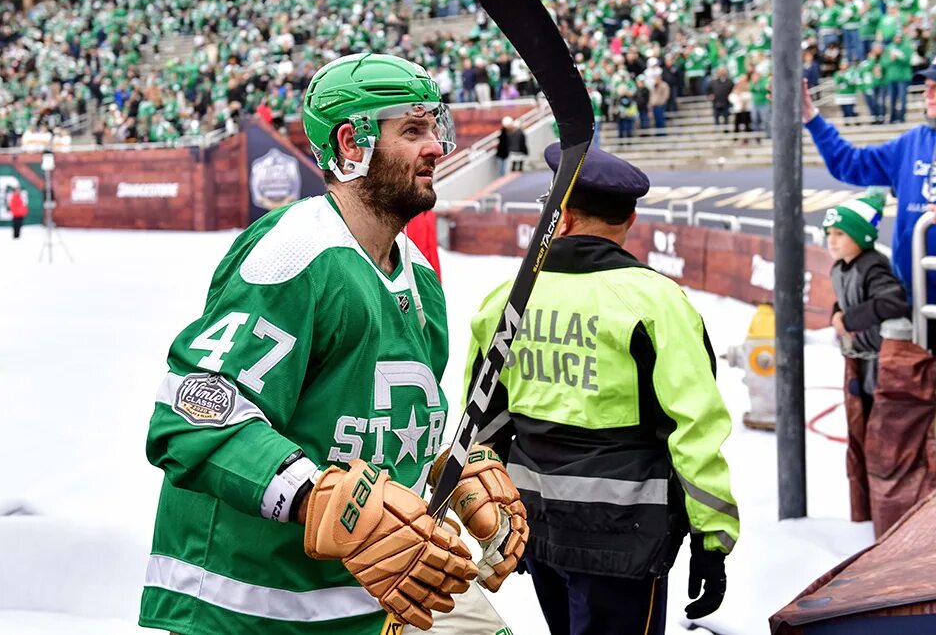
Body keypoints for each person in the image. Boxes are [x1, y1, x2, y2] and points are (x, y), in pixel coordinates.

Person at [138, 53, 527, 635]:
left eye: (434, 127)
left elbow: (381, 424)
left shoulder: (417, 275)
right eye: (413, 130)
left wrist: (449, 470)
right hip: (254, 607)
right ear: (352, 144)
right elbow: (195, 415)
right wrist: (318, 496)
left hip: (374, 595)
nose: (437, 148)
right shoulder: (295, 252)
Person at [466, 144, 740, 635]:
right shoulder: (657, 302)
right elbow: (694, 429)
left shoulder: (505, 300)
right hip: (626, 540)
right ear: (630, 217)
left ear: (561, 215)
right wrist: (712, 539)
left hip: (536, 529)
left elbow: (483, 423)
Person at [803, 70, 936, 347]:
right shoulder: (912, 143)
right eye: (927, 86)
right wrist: (811, 118)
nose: (928, 94)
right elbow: (849, 163)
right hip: (915, 305)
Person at [822, 189, 911, 523]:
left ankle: (889, 512)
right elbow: (844, 301)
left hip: (880, 362)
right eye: (829, 234)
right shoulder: (840, 268)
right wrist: (835, 312)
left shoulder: (873, 265)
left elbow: (894, 302)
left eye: (841, 234)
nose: (832, 241)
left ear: (861, 236)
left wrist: (849, 319)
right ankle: (867, 511)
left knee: (880, 437)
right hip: (858, 361)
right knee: (859, 437)